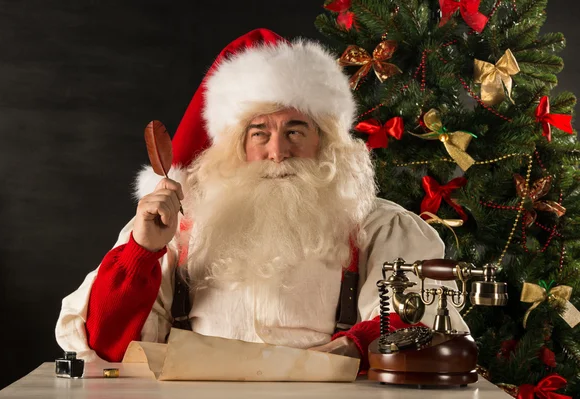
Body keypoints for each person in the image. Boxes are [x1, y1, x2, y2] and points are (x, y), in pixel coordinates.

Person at [55, 28, 467, 371]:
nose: (277, 152)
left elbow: (419, 318)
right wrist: (142, 252)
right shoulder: (176, 227)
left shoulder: (377, 226)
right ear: (237, 144)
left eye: (294, 130)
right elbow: (105, 345)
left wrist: (356, 346)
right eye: (260, 133)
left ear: (324, 140)